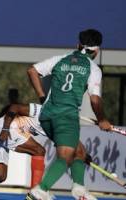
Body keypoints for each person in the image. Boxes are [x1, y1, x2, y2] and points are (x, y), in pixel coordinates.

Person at [26, 29, 112, 200]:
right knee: (65, 156)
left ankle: (79, 190)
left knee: (79, 152)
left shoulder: (60, 59)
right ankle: (40, 190)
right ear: (96, 51)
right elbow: (95, 100)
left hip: (47, 116)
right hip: (66, 117)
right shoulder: (93, 69)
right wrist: (102, 120)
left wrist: (42, 97)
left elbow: (32, 71)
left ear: (78, 45)